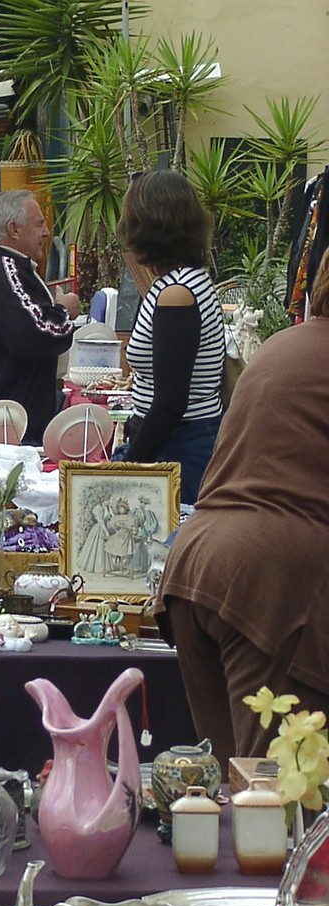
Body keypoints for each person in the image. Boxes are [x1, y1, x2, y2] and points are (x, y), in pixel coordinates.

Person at [155, 245, 329, 775]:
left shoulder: (283, 346)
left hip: (198, 566)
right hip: (269, 587)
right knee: (278, 791)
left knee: (232, 786)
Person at [115, 171, 225, 505]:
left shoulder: (177, 294)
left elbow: (169, 403)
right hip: (179, 440)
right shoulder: (185, 283)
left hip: (179, 448)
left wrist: (126, 469)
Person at [0, 190, 81, 445]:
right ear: (14, 229)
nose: (46, 232)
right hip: (11, 428)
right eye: (39, 224)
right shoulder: (3, 270)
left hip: (18, 423)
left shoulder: (10, 268)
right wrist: (64, 310)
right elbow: (38, 333)